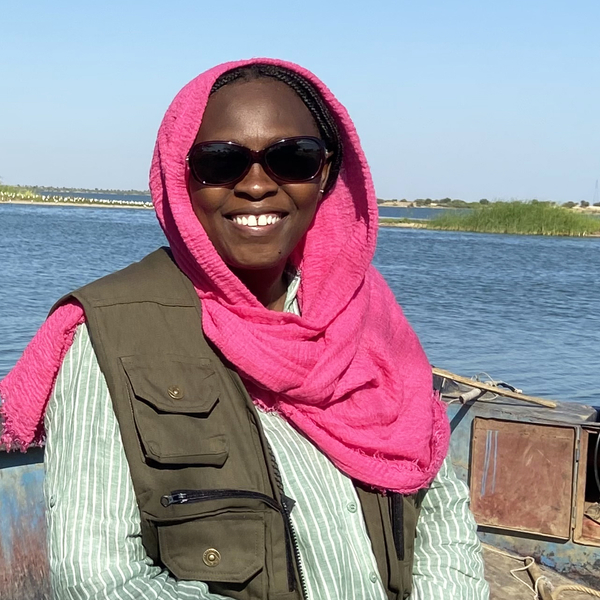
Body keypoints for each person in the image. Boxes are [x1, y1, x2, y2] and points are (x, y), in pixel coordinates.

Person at [0, 58, 489, 600]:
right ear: (179, 178)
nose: (257, 186)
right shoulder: (111, 334)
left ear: (325, 173)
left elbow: (440, 505)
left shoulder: (371, 319)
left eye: (292, 158)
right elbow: (100, 580)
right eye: (220, 163)